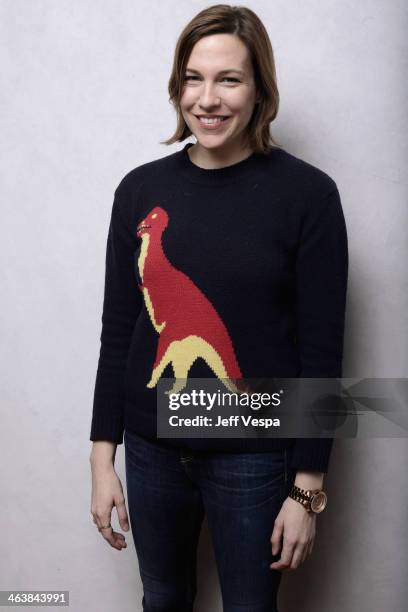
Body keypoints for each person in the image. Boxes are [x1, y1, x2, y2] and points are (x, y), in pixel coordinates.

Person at [89, 4, 348, 611]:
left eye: (229, 79)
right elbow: (119, 330)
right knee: (163, 599)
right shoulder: (139, 189)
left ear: (260, 90)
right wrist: (104, 460)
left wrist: (308, 486)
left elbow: (321, 347)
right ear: (177, 86)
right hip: (150, 450)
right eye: (193, 78)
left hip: (255, 452)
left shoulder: (308, 196)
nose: (208, 99)